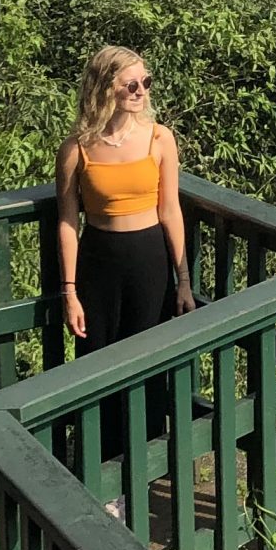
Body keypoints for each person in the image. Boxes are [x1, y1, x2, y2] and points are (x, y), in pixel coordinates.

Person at [57, 44, 196, 356]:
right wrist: (69, 293)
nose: (141, 91)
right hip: (98, 261)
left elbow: (170, 211)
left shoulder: (160, 138)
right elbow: (67, 222)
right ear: (105, 88)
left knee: (151, 356)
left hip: (150, 259)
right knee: (96, 357)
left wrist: (184, 280)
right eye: (131, 85)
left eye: (146, 82)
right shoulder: (74, 149)